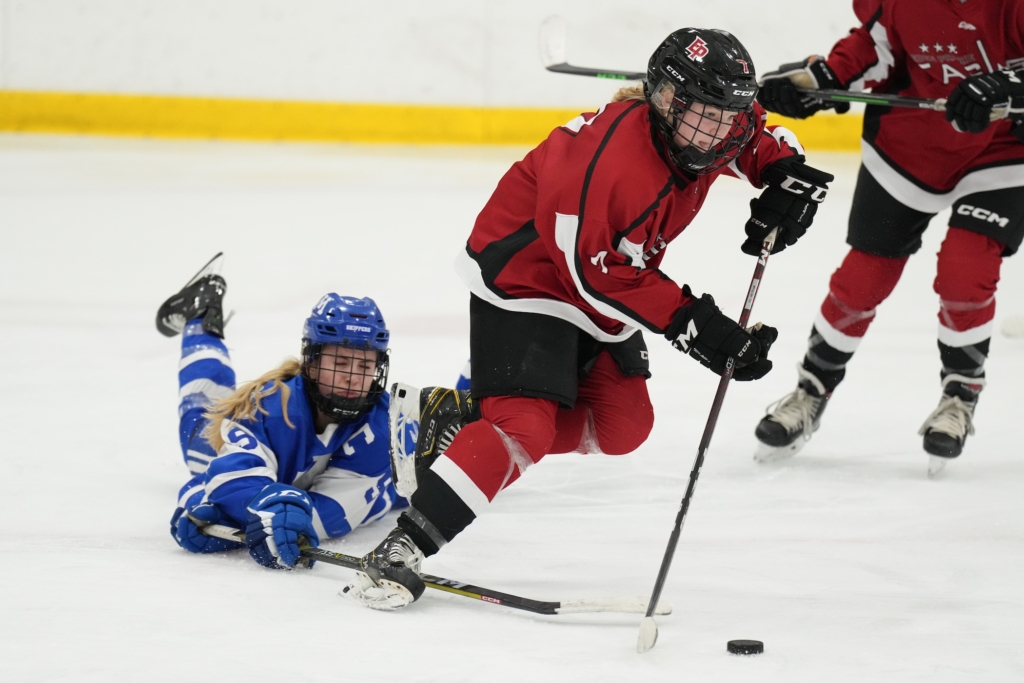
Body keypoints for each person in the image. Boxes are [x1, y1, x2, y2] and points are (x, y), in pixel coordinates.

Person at [341, 28, 835, 610]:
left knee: (624, 427)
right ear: (665, 99)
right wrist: (696, 325)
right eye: (706, 117)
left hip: (603, 278)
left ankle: (453, 419)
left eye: (724, 117)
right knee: (524, 430)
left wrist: (785, 172)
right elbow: (592, 273)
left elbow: (751, 129)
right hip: (527, 278)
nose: (718, 135)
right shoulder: (614, 166)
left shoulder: (703, 125)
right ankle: (402, 548)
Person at [753, 0, 1024, 472]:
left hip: (1003, 151)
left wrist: (1012, 86)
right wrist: (818, 83)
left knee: (965, 270)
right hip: (910, 147)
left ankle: (960, 395)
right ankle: (811, 389)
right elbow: (872, 50)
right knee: (862, 279)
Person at [157, 254, 404, 569]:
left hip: (401, 486)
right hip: (267, 467)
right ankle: (200, 315)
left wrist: (240, 516)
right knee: (202, 435)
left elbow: (333, 515)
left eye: (365, 365)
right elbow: (217, 481)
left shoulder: (384, 426)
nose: (351, 378)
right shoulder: (270, 407)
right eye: (340, 363)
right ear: (311, 362)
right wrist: (207, 504)